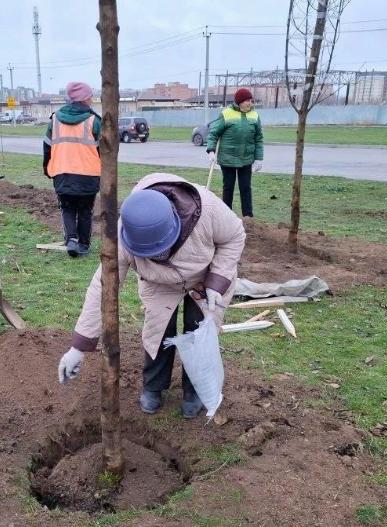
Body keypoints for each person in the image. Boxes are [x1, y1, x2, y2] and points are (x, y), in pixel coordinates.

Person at [57, 173, 246, 419]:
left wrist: (217, 281)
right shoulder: (124, 235)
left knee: (199, 328)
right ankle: (154, 386)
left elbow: (234, 237)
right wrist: (79, 347)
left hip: (205, 275)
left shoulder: (208, 211)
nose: (157, 256)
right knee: (158, 328)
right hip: (159, 283)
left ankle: (195, 388)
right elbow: (102, 287)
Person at [43, 81, 101, 258]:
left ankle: (72, 240)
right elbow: (104, 150)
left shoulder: (55, 119)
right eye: (90, 96)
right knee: (85, 210)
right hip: (89, 175)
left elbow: (47, 147)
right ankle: (83, 244)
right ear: (84, 98)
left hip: (62, 173)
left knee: (67, 208)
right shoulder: (94, 120)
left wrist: (47, 167)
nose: (91, 99)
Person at [206, 88, 264, 217]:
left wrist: (259, 158)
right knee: (228, 188)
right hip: (228, 158)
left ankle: (248, 217)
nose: (250, 103)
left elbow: (259, 138)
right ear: (240, 101)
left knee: (245, 188)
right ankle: (227, 216)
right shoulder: (226, 114)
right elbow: (214, 133)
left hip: (246, 159)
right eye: (247, 101)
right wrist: (211, 150)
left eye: (251, 100)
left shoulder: (254, 115)